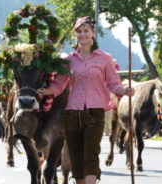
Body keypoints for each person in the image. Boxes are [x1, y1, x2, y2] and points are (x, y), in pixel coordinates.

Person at [38, 16, 134, 184]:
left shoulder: (104, 58)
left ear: (93, 33)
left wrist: (124, 90)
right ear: (75, 34)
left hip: (95, 112)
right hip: (72, 113)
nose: (82, 34)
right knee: (75, 156)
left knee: (90, 153)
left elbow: (113, 84)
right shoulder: (69, 60)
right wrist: (45, 91)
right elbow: (59, 85)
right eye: (79, 31)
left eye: (86, 31)